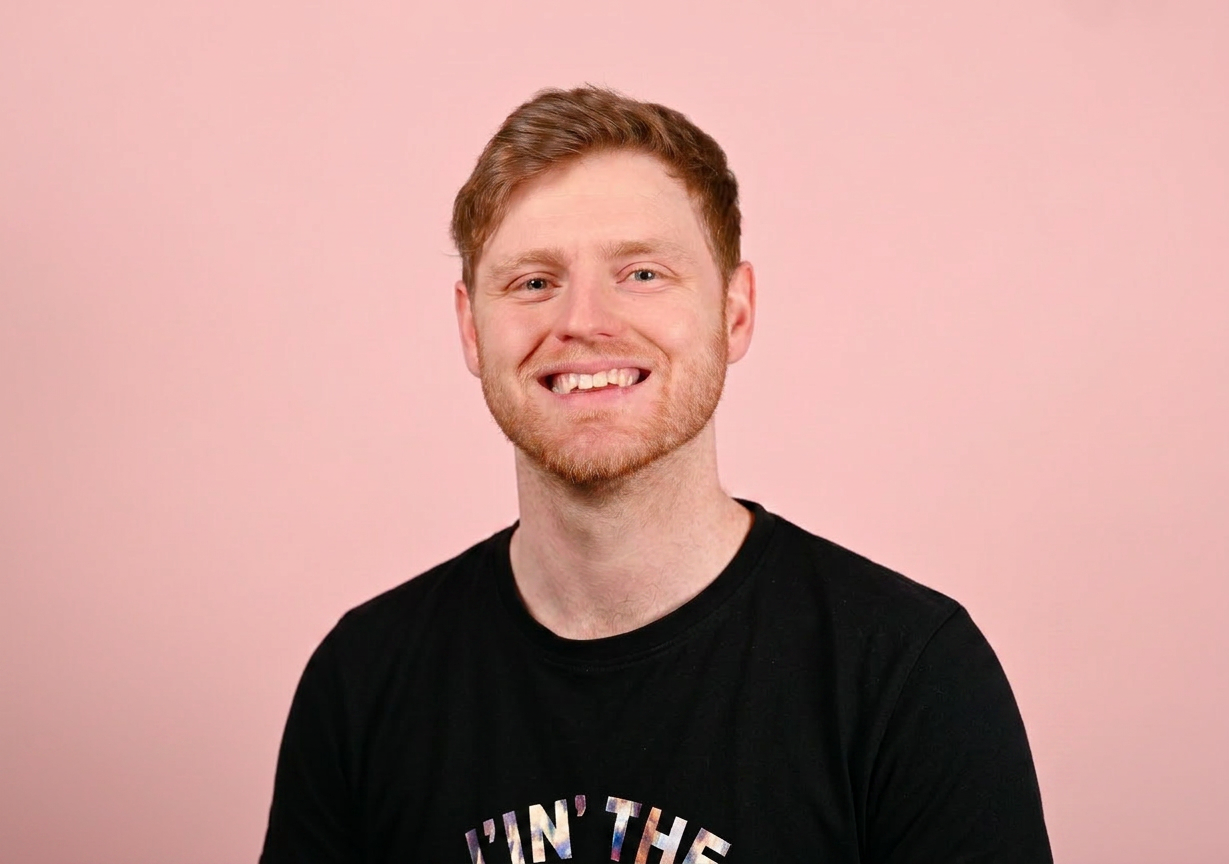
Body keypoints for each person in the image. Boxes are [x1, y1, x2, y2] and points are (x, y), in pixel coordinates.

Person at [260, 86, 1052, 864]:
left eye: (641, 273)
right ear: (470, 329)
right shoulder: (364, 680)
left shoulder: (907, 674)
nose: (582, 321)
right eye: (533, 282)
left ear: (734, 312)